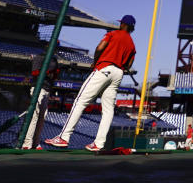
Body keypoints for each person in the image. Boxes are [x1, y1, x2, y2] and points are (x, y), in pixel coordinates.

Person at [44, 15, 136, 152]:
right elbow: (129, 64)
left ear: (123, 24)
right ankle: (99, 144)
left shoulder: (113, 34)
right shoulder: (132, 43)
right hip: (118, 73)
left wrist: (96, 61)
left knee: (80, 101)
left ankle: (64, 137)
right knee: (108, 110)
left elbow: (100, 47)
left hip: (104, 68)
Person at [21, 50, 60, 149]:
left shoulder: (54, 59)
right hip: (38, 89)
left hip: (47, 90)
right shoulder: (39, 57)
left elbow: (55, 76)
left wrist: (55, 74)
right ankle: (27, 143)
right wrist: (48, 72)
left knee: (42, 118)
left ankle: (36, 142)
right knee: (34, 116)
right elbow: (35, 72)